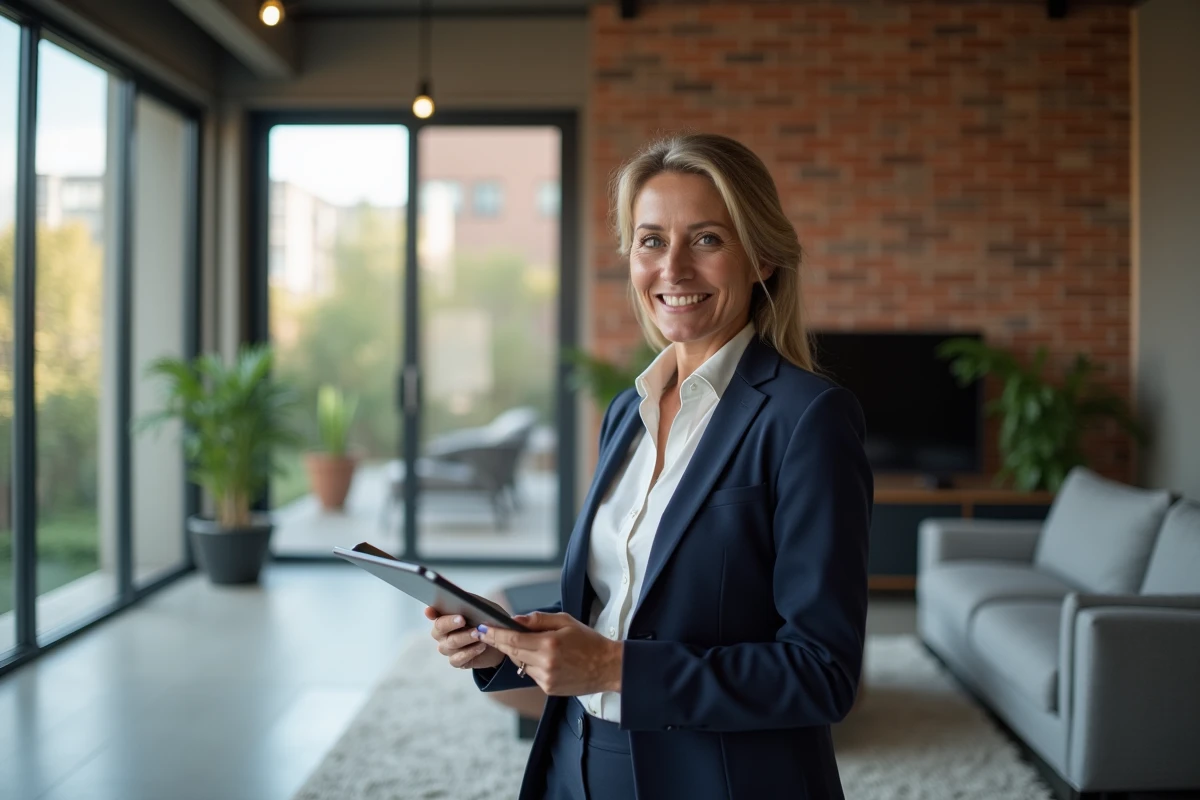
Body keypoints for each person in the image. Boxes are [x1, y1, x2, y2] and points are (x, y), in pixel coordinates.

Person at [426, 132, 873, 800]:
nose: (674, 269)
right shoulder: (625, 412)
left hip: (717, 781)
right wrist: (507, 642)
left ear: (764, 257)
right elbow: (624, 604)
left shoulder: (807, 419)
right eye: (652, 240)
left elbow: (821, 672)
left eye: (708, 239)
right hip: (573, 765)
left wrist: (614, 668)